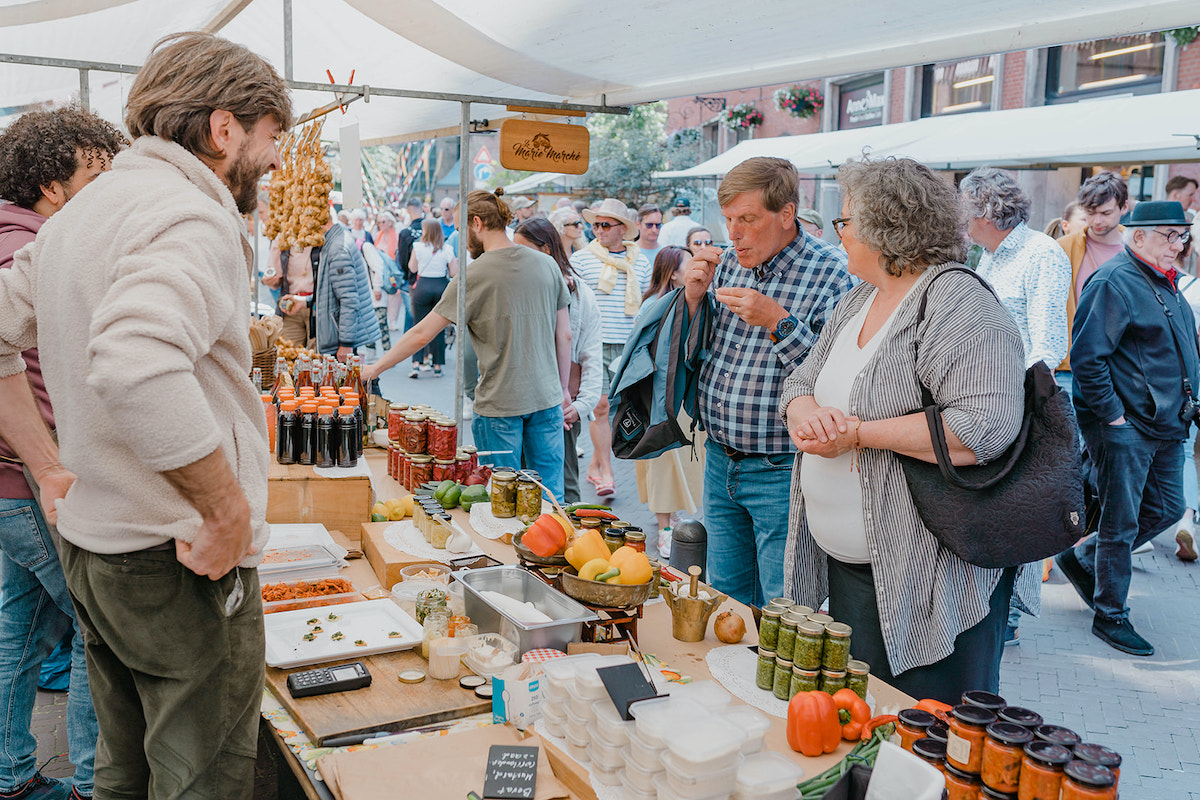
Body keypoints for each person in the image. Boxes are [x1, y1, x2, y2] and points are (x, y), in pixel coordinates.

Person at [0, 32, 291, 796]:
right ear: (225, 128)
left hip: (101, 548)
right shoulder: (189, 215)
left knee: (123, 769)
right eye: (271, 137)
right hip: (178, 557)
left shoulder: (84, 215)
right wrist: (224, 506)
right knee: (200, 778)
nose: (276, 160)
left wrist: (47, 463)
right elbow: (135, 362)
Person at [783, 156, 1027, 703]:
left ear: (886, 227)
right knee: (866, 727)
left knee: (923, 736)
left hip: (924, 582)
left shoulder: (954, 300)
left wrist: (859, 434)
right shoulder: (857, 300)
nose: (838, 233)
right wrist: (804, 412)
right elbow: (801, 379)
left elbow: (984, 429)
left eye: (846, 221)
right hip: (854, 574)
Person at [0, 105, 124, 800]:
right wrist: (51, 466)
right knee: (94, 632)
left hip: (16, 487)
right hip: (31, 485)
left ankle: (11, 773)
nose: (105, 190)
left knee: (20, 629)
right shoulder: (28, 248)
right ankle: (90, 784)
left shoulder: (23, 237)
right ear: (53, 185)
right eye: (95, 173)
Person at [682, 157, 852, 607]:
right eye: (728, 220)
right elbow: (697, 351)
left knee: (783, 606)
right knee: (725, 599)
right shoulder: (728, 262)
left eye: (748, 220)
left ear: (787, 214)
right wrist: (692, 302)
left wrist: (778, 321)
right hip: (719, 460)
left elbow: (838, 374)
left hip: (780, 467)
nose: (733, 233)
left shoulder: (832, 272)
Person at [364, 189, 572, 500]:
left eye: (461, 231)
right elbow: (564, 334)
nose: (460, 239)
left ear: (477, 223)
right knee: (551, 496)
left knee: (504, 501)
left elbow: (422, 334)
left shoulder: (472, 276)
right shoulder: (546, 264)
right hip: (548, 399)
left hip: (500, 404)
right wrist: (564, 389)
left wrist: (375, 368)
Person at [1055, 201, 1196, 657]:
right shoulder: (1116, 280)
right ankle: (1110, 615)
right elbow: (1087, 359)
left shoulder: (1163, 281)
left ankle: (1083, 557)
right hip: (1126, 426)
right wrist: (1113, 418)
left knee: (1169, 508)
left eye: (1183, 236)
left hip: (1168, 423)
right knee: (1122, 520)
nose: (1179, 245)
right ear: (1138, 236)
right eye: (1170, 235)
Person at [961, 167, 1071, 646]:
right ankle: (987, 611)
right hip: (986, 405)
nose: (959, 220)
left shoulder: (1041, 253)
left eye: (964, 210)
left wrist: (1016, 408)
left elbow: (1047, 342)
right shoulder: (986, 257)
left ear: (984, 209)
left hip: (1020, 410)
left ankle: (1006, 619)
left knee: (1015, 516)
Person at [513, 218, 602, 504]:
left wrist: (580, 405)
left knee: (562, 486)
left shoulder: (580, 292)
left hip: (561, 406)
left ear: (547, 249)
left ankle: (570, 542)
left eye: (523, 250)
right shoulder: (516, 288)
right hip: (520, 400)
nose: (516, 257)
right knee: (522, 482)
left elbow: (589, 352)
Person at [570, 198, 652, 498]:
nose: (598, 230)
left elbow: (645, 306)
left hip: (628, 345)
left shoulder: (641, 262)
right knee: (600, 407)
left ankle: (594, 466)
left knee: (617, 410)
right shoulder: (581, 259)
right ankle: (607, 471)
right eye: (595, 224)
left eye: (605, 225)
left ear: (622, 229)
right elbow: (575, 306)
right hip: (594, 343)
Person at [635, 246, 707, 555]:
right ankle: (664, 525)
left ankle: (672, 515)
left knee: (685, 459)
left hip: (686, 396)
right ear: (673, 272)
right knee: (663, 460)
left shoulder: (695, 302)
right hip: (660, 397)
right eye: (688, 264)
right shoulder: (654, 305)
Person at [1056, 171, 1129, 386]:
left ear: (1124, 208)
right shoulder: (1062, 248)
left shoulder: (1138, 248)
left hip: (1123, 369)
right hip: (1071, 368)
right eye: (1090, 212)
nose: (1097, 221)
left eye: (1105, 213)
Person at [315, 212, 379, 361]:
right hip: (342, 332)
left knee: (346, 382)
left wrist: (346, 343)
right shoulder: (336, 240)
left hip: (342, 337)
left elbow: (349, 299)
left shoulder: (338, 248)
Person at [407, 217, 458, 378]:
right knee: (438, 328)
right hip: (441, 287)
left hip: (423, 286)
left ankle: (416, 364)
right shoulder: (447, 248)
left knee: (418, 326)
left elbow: (412, 268)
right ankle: (437, 366)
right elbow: (454, 273)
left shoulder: (418, 246)